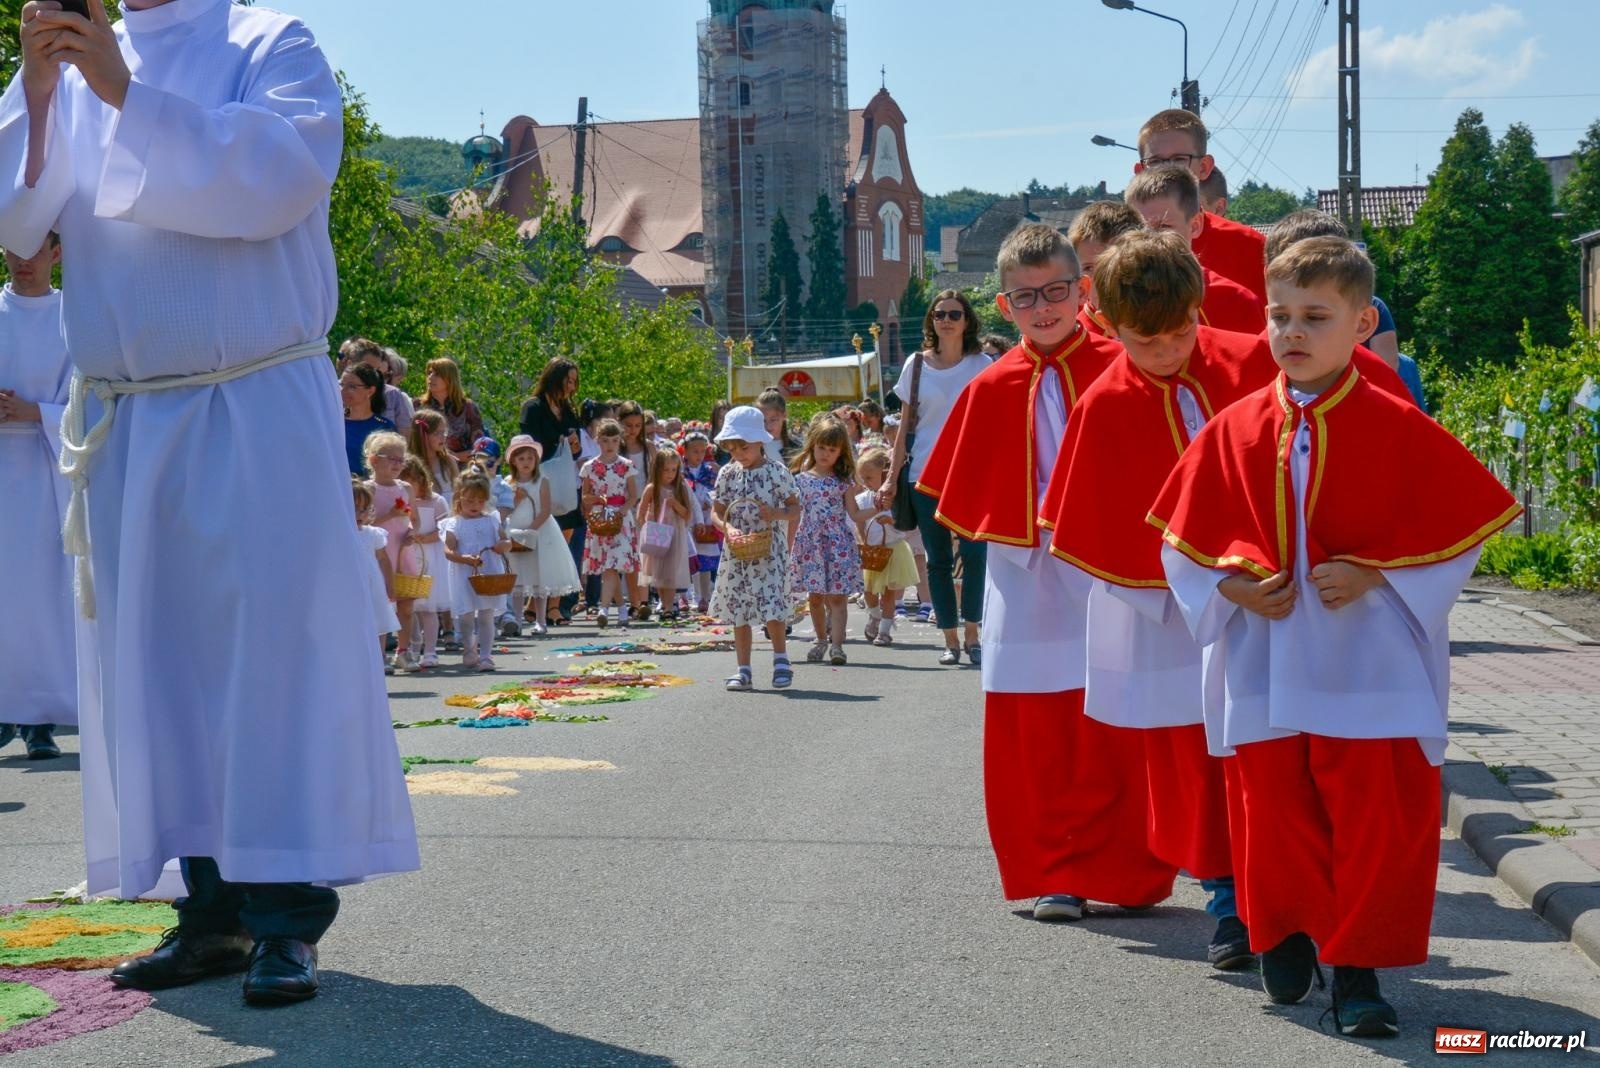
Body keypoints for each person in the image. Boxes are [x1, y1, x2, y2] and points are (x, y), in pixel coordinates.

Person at [0, 0, 419, 1005]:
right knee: (166, 666)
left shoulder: (269, 43)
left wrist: (122, 93)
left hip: (249, 403)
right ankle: (212, 911)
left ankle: (285, 917)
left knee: (263, 661)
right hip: (128, 418)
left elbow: (274, 181)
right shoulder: (73, 60)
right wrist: (41, 91)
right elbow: (17, 225)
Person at [1150, 237, 1521, 1037]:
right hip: (1266, 658)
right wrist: (1234, 589)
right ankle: (1283, 929)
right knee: (1274, 811)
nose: (1291, 332)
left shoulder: (1399, 425)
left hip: (1369, 661)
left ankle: (1358, 969)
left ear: (1361, 323)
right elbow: (1180, 547)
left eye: (1314, 317)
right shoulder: (1234, 427)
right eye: (1279, 315)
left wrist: (1376, 574)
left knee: (1374, 819)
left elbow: (1459, 536)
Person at [919, 223, 1176, 923]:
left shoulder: (1130, 367)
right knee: (1037, 733)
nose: (1042, 308)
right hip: (1027, 578)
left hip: (1109, 572)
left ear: (1083, 289)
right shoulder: (990, 386)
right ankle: (1055, 873)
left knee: (1119, 722)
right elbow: (964, 490)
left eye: (1056, 291)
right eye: (1025, 297)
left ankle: (1127, 872)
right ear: (1004, 306)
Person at [1040, 229, 1278, 969]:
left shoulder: (1254, 365)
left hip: (1269, 606)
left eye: (1181, 333)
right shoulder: (1104, 404)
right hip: (1167, 617)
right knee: (1191, 766)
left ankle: (1280, 898)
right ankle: (1227, 904)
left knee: (1266, 751)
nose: (1169, 352)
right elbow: (1096, 526)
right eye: (1147, 342)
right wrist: (1201, 585)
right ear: (1108, 325)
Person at [884, 290, 992, 664]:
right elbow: (904, 428)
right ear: (931, 321)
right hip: (923, 475)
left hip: (971, 475)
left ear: (967, 321)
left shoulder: (982, 364)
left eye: (954, 314)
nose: (946, 320)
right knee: (938, 560)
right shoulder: (915, 365)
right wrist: (890, 477)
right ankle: (950, 640)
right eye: (939, 314)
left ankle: (973, 632)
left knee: (976, 555)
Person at [0, 234, 73, 760]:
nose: (23, 262)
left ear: (57, 253)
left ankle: (41, 718)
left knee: (45, 595)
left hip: (49, 469)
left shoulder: (75, 317)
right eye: (13, 250)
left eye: (35, 250)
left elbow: (95, 397)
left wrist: (38, 413)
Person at [709, 406, 801, 691]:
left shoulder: (776, 472)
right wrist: (727, 528)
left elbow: (795, 508)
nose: (738, 454)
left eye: (744, 447)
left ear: (760, 441)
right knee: (740, 609)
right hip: (738, 551)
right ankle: (743, 669)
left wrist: (775, 513)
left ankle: (781, 659)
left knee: (772, 605)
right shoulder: (728, 473)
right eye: (732, 448)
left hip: (769, 550)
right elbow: (717, 511)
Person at [1135, 108, 1267, 302]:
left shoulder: (1250, 248)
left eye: (1179, 160)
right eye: (1155, 162)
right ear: (1140, 170)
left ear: (1204, 167)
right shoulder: (1118, 245)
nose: (1167, 171)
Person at [1124, 165, 1264, 336]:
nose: (1147, 239)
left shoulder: (1237, 303)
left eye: (1163, 227)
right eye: (1138, 228)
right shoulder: (1114, 300)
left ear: (1195, 226)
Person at [789, 417, 869, 666]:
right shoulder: (800, 480)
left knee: (837, 598)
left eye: (832, 450)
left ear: (840, 452)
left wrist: (878, 508)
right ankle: (820, 640)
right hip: (810, 544)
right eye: (822, 447)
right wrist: (788, 546)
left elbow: (855, 514)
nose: (825, 453)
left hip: (837, 545)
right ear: (812, 445)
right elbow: (793, 515)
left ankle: (837, 646)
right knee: (815, 597)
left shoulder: (843, 481)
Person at [518, 358, 584, 623]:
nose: (571, 387)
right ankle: (540, 604)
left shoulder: (568, 409)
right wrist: (557, 441)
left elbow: (576, 450)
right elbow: (527, 444)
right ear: (555, 379)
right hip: (540, 481)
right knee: (543, 543)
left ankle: (548, 605)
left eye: (574, 382)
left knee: (562, 545)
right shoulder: (533, 407)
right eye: (568, 380)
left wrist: (575, 445)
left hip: (564, 484)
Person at [503, 434, 580, 637]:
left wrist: (532, 529)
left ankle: (541, 621)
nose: (526, 462)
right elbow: (505, 510)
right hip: (516, 531)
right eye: (521, 458)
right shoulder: (508, 483)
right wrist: (516, 500)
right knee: (517, 578)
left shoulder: (542, 481)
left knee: (539, 578)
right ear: (513, 461)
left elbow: (545, 509)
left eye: (530, 458)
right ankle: (517, 620)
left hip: (539, 530)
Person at [441, 471, 512, 672]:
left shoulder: (492, 520)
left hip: (488, 572)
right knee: (466, 615)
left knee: (486, 615)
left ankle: (486, 655)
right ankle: (469, 646)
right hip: (464, 574)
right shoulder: (454, 523)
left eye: (480, 501)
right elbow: (448, 550)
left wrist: (503, 545)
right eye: (470, 500)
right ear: (459, 497)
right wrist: (465, 558)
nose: (475, 505)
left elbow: (505, 541)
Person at [364, 431, 420, 673]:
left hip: (402, 551)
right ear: (374, 460)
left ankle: (403, 651)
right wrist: (389, 515)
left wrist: (412, 533)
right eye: (392, 459)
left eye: (401, 459)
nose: (398, 464)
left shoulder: (405, 488)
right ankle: (380, 653)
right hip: (380, 553)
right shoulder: (369, 489)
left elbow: (414, 520)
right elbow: (363, 523)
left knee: (406, 605)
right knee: (382, 603)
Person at [854, 446, 917, 646]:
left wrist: (890, 521)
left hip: (893, 549)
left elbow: (906, 524)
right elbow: (858, 520)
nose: (865, 482)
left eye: (869, 477)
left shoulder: (895, 499)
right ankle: (875, 615)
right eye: (862, 478)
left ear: (884, 474)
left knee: (889, 593)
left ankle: (884, 631)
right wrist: (861, 539)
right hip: (872, 550)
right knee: (868, 591)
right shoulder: (864, 499)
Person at [580, 419, 641, 628]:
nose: (610, 445)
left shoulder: (626, 465)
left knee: (613, 563)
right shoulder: (589, 467)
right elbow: (585, 496)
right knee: (609, 566)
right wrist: (597, 500)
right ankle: (621, 609)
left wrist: (621, 512)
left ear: (619, 440)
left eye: (614, 440)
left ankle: (604, 608)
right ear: (598, 440)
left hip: (620, 518)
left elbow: (633, 495)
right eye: (605, 440)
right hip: (600, 517)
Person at [1067, 200, 1146, 338]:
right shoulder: (1072, 338)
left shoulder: (1167, 322)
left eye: (1112, 264)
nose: (1101, 280)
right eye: (1089, 268)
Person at [399, 456, 449, 669]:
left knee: (428, 607)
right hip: (407, 555)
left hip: (430, 557)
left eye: (411, 482)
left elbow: (443, 529)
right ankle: (412, 646)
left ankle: (430, 650)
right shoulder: (400, 502)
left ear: (421, 479)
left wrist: (425, 538)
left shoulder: (436, 501)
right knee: (408, 607)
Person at [637, 448, 695, 622]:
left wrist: (675, 504)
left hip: (674, 536)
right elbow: (640, 513)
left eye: (673, 470)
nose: (670, 474)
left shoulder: (680, 488)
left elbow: (687, 515)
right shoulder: (652, 488)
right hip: (657, 536)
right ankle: (665, 604)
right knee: (658, 574)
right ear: (658, 469)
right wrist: (647, 527)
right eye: (666, 470)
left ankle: (669, 607)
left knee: (669, 573)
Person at [352, 480, 400, 660]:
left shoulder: (373, 533)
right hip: (352, 584)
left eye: (364, 509)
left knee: (378, 618)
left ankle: (380, 657)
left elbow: (384, 560)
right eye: (355, 509)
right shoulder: (343, 533)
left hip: (373, 583)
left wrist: (390, 585)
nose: (360, 514)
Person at [417, 357, 483, 464]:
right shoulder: (417, 406)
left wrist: (454, 457)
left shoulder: (468, 407)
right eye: (429, 373)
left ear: (450, 379)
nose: (430, 377)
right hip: (426, 467)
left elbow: (480, 449)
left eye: (437, 374)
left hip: (462, 469)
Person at [683, 431, 721, 613]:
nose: (699, 455)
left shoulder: (710, 472)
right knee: (689, 559)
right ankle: (687, 595)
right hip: (687, 519)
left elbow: (718, 492)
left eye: (702, 451)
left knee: (705, 560)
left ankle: (704, 597)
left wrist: (710, 501)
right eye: (694, 451)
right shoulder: (680, 471)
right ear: (685, 451)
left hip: (705, 521)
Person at [341, 336, 412, 431]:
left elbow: (404, 434)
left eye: (377, 370)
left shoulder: (392, 395)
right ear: (350, 364)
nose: (373, 374)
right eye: (367, 368)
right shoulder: (331, 392)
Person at [340, 363, 394, 476]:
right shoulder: (335, 424)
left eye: (351, 386)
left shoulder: (385, 427)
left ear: (370, 391)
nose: (342, 391)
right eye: (341, 385)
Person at [408, 408, 459, 507]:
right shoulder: (411, 467)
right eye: (437, 433)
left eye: (444, 432)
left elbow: (459, 492)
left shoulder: (448, 462)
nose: (443, 437)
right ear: (421, 436)